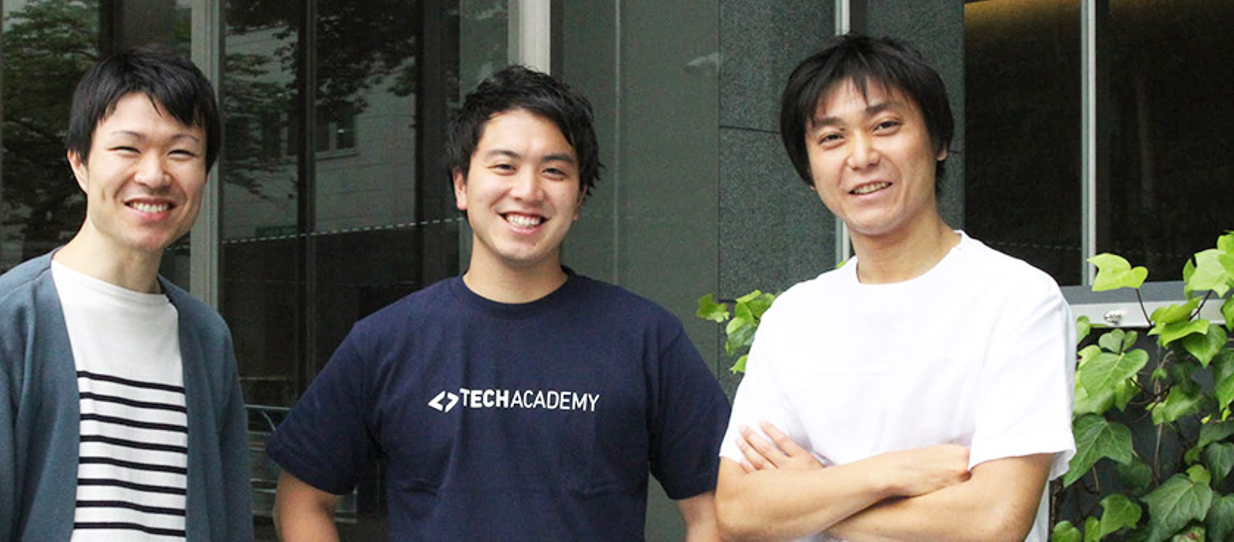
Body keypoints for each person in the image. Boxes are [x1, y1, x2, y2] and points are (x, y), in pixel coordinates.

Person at [266, 65, 730, 540]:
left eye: (554, 171)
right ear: (461, 185)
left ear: (579, 198)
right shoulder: (387, 340)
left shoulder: (644, 338)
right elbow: (301, 501)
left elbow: (716, 510)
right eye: (505, 166)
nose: (527, 191)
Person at [714, 35, 1075, 542]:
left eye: (885, 126)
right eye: (832, 138)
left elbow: (993, 521)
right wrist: (889, 474)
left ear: (939, 141)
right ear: (809, 171)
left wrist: (816, 495)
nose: (861, 157)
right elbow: (738, 510)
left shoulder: (1017, 299)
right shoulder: (793, 318)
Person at [0, 46, 252, 541]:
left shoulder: (207, 338)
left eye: (181, 152)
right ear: (79, 163)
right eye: (127, 148)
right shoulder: (3, 322)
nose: (154, 175)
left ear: (205, 172)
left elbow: (230, 522)